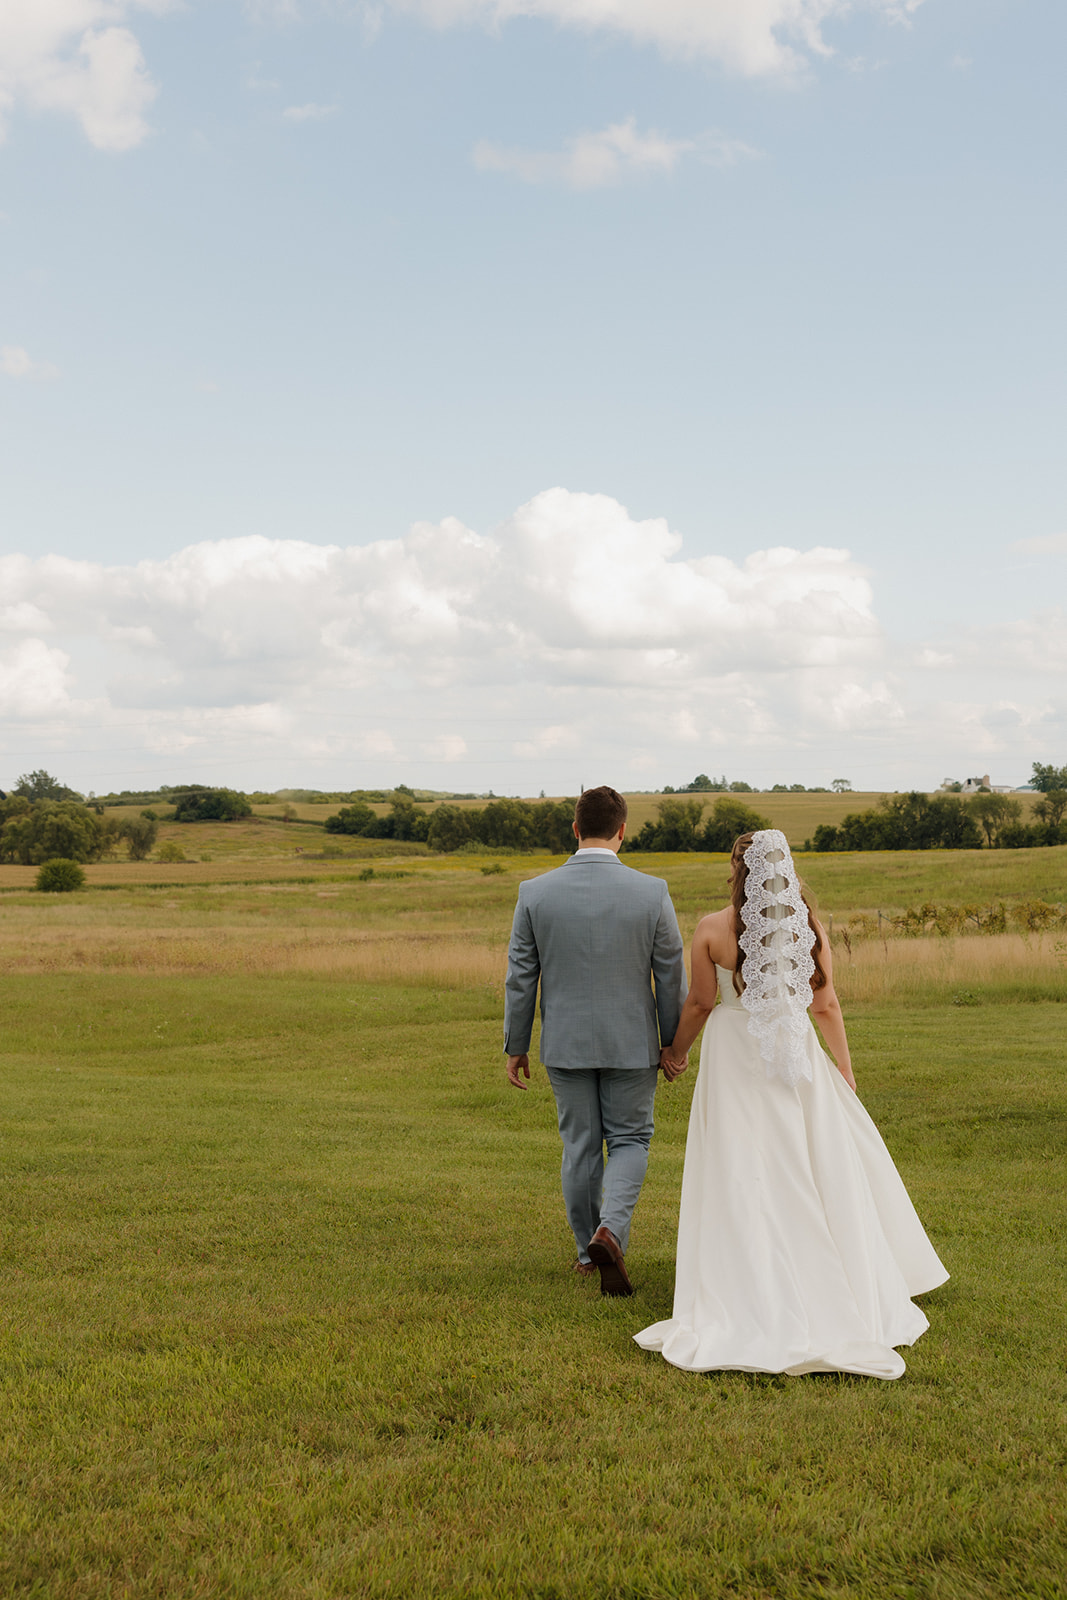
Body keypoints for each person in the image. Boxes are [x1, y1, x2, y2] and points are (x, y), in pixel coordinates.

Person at [635, 828, 948, 1379]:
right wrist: (843, 1069)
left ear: (737, 871)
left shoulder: (711, 929)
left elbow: (702, 1002)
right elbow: (825, 1004)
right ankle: (825, 1278)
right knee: (808, 1165)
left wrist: (675, 1053)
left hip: (735, 1054)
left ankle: (744, 1282)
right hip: (796, 1057)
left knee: (739, 1166)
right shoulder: (809, 929)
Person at [504, 786, 688, 1296]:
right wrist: (672, 1044)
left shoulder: (533, 892)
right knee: (630, 1139)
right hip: (632, 1043)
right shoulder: (653, 892)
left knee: (580, 1145)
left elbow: (521, 976)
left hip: (565, 1042)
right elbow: (670, 974)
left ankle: (590, 1252)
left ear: (575, 828)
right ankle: (611, 1231)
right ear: (623, 831)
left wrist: (515, 1044)